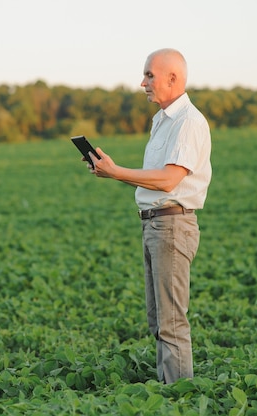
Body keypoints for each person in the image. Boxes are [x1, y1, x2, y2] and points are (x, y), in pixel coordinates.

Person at [83, 48, 212, 384]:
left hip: (172, 225)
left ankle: (180, 397)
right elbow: (155, 180)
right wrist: (113, 172)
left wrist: (117, 172)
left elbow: (169, 179)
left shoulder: (188, 123)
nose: (143, 83)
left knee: (170, 322)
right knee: (158, 321)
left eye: (149, 75)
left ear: (173, 78)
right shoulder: (163, 121)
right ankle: (169, 390)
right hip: (157, 223)